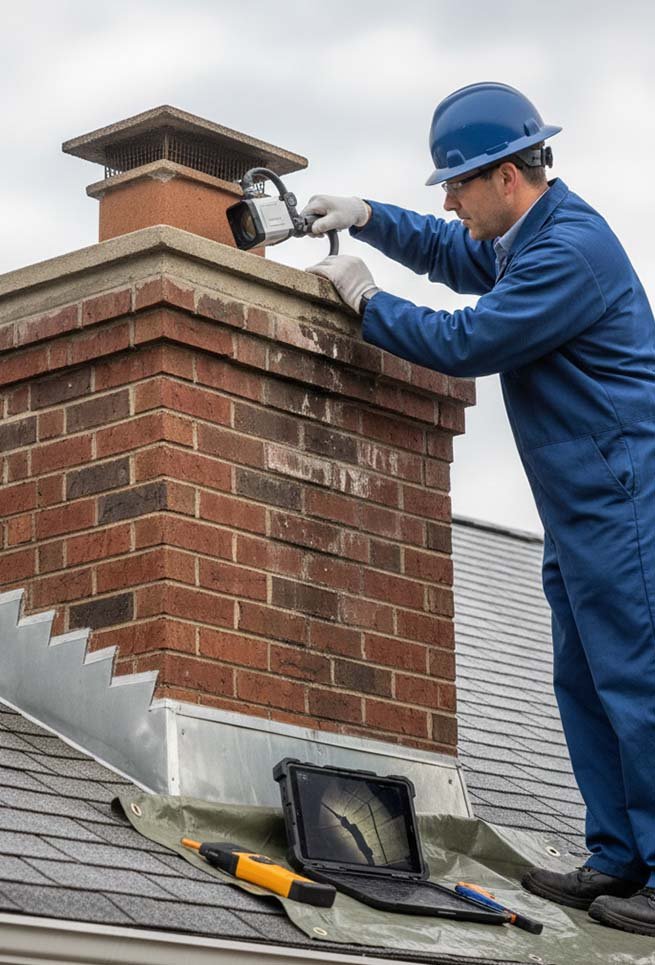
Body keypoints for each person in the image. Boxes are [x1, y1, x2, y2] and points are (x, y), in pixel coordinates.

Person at [304, 81, 655, 938]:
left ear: (506, 175)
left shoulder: (567, 250)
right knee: (581, 678)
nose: (450, 200)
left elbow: (469, 341)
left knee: (639, 681)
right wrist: (370, 216)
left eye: (457, 184)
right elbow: (451, 250)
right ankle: (616, 855)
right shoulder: (518, 236)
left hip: (625, 499)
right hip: (578, 506)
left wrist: (367, 302)